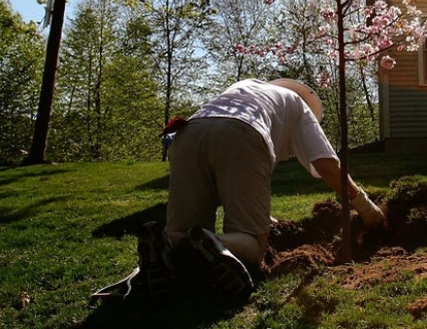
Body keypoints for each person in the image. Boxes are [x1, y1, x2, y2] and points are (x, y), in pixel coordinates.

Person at [135, 78, 385, 303]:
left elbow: (224, 163)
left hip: (188, 134)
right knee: (253, 244)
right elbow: (327, 166)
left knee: (181, 232)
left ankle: (166, 241)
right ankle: (211, 241)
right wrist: (366, 206)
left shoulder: (247, 88)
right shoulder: (299, 104)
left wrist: (263, 217)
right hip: (242, 133)